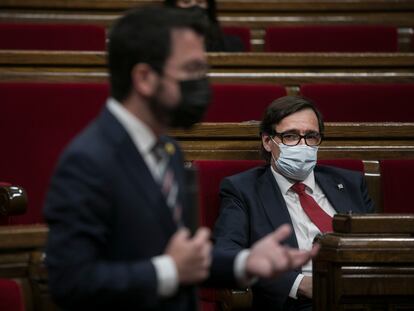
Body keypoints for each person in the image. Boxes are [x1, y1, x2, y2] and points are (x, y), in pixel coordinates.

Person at [43, 7, 317, 311]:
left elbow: (184, 257)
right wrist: (169, 270)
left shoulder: (167, 150)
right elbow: (70, 282)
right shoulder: (88, 161)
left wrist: (246, 262)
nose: (202, 84)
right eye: (191, 71)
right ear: (145, 78)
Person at [213, 96, 374, 311]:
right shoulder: (242, 190)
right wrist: (298, 284)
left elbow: (375, 241)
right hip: (297, 303)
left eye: (311, 136)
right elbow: (227, 254)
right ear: (268, 141)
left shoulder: (350, 182)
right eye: (290, 136)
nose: (303, 145)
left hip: (362, 296)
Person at [164, 0, 246, 52]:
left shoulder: (232, 46)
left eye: (200, 2)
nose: (194, 8)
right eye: (186, 2)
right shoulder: (161, 46)